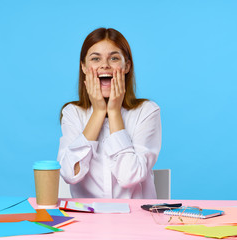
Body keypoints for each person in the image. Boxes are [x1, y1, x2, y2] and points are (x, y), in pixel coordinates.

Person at [57, 28, 161, 199]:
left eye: (114, 58)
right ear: (83, 67)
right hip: (88, 219)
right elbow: (69, 174)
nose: (104, 65)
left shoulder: (147, 111)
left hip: (135, 219)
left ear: (126, 66)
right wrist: (98, 112)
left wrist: (114, 112)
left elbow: (129, 177)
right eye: (95, 58)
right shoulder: (72, 113)